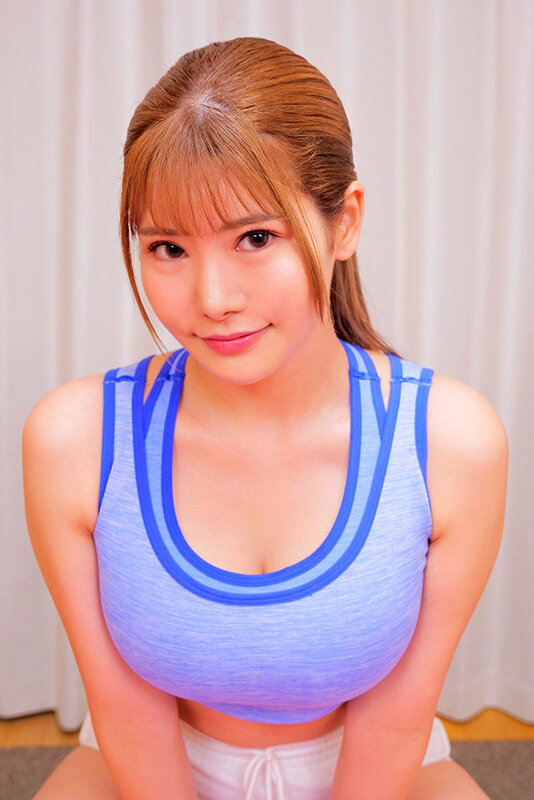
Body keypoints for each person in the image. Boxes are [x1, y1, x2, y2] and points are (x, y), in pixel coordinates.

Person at [22, 36, 508, 800]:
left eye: (255, 237)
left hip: (370, 763)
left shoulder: (451, 444)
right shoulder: (73, 441)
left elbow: (393, 723)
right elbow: (126, 711)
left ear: (344, 222)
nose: (212, 299)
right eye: (168, 248)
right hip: (154, 756)